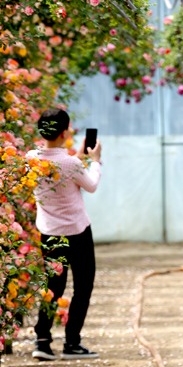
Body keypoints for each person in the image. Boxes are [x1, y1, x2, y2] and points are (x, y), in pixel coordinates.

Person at [26, 108, 102, 360]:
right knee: (83, 286)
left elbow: (61, 169)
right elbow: (89, 185)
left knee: (52, 288)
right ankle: (72, 343)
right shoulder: (71, 163)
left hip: (49, 234)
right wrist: (96, 161)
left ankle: (43, 341)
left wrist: (80, 157)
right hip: (77, 233)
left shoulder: (31, 158)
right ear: (65, 131)